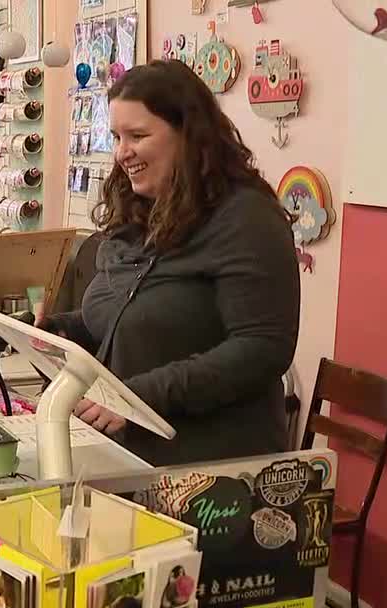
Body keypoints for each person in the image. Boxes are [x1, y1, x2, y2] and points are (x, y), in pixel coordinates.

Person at [42, 59, 299, 466]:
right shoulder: (143, 211)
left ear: (189, 136)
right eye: (116, 137)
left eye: (138, 135)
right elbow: (131, 318)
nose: (122, 153)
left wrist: (138, 396)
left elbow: (261, 349)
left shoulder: (247, 218)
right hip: (134, 458)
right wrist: (55, 330)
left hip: (211, 470)